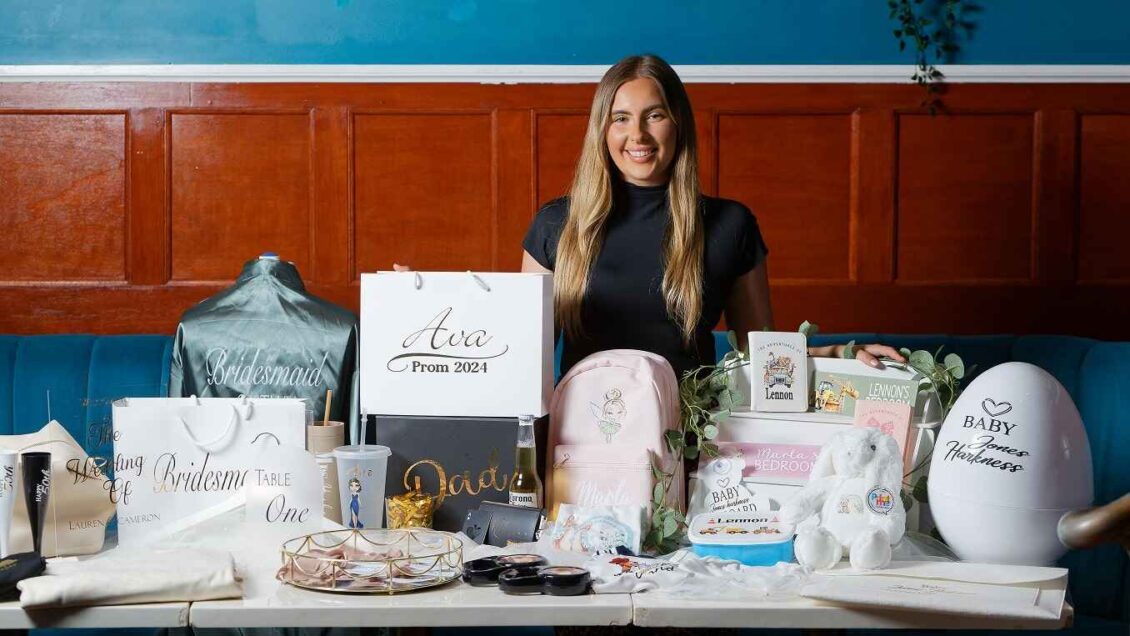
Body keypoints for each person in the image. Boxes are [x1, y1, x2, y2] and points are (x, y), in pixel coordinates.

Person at [519, 54, 904, 378]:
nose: (637, 134)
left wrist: (838, 354)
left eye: (654, 115)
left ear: (678, 123)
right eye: (620, 118)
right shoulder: (556, 224)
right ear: (601, 130)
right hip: (578, 437)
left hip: (691, 435)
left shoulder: (730, 225)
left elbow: (757, 352)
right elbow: (525, 359)